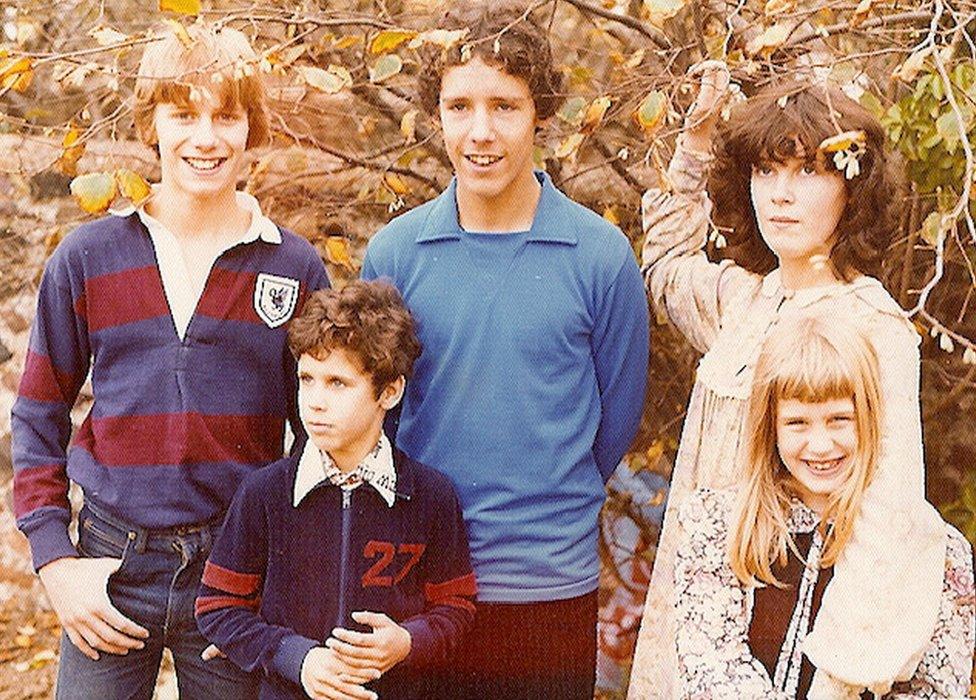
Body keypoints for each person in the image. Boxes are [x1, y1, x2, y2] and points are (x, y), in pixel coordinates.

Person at [10, 23, 329, 699]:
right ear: (150, 124)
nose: (206, 138)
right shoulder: (90, 256)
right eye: (183, 115)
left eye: (226, 117)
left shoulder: (292, 265)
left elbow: (320, 435)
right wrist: (54, 561)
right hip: (108, 564)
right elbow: (39, 413)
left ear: (253, 129)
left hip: (237, 569)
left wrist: (289, 571)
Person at [628, 63, 946, 698]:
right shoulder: (746, 303)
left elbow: (890, 516)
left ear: (851, 190)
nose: (780, 194)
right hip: (700, 626)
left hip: (796, 641)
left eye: (808, 172)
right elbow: (665, 267)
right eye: (765, 172)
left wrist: (840, 677)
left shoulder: (873, 326)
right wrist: (694, 142)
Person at [361, 4, 649, 697]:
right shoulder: (396, 255)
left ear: (541, 115)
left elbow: (614, 420)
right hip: (418, 586)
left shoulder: (600, 257)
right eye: (459, 106)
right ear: (435, 115)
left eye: (505, 107)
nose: (481, 131)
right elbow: (375, 419)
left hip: (548, 587)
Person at [195, 280, 476, 700]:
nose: (314, 401)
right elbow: (218, 607)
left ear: (390, 391)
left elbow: (457, 608)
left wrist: (407, 642)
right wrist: (297, 658)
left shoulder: (431, 497)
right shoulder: (266, 493)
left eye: (337, 383)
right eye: (307, 379)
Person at [674, 315, 975, 699]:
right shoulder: (719, 525)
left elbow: (937, 688)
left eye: (839, 420)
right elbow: (711, 668)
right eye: (798, 422)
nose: (820, 445)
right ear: (771, 427)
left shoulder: (928, 546)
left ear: (870, 419)